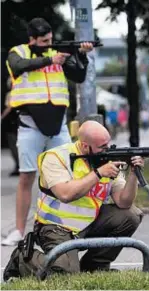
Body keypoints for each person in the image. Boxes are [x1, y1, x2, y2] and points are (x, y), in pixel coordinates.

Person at [3, 120, 144, 281]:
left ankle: (94, 268)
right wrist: (98, 173)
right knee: (64, 277)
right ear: (85, 146)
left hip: (89, 222)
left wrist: (133, 174)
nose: (108, 150)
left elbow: (123, 202)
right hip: (55, 227)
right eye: (102, 147)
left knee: (131, 215)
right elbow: (65, 194)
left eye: (108, 144)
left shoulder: (105, 160)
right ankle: (22, 258)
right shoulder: (56, 158)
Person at [2, 18, 93, 246]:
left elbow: (79, 76)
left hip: (58, 125)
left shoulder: (58, 53)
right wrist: (50, 59)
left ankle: (65, 227)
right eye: (44, 41)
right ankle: (19, 230)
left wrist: (81, 55)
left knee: (67, 174)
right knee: (27, 177)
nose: (48, 44)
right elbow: (18, 66)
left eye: (50, 40)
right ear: (32, 39)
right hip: (30, 125)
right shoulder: (19, 51)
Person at [1, 78, 19, 176]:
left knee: (13, 144)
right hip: (17, 120)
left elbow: (9, 107)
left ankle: (18, 165)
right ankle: (18, 165)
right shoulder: (22, 93)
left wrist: (2, 117)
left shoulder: (10, 94)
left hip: (11, 121)